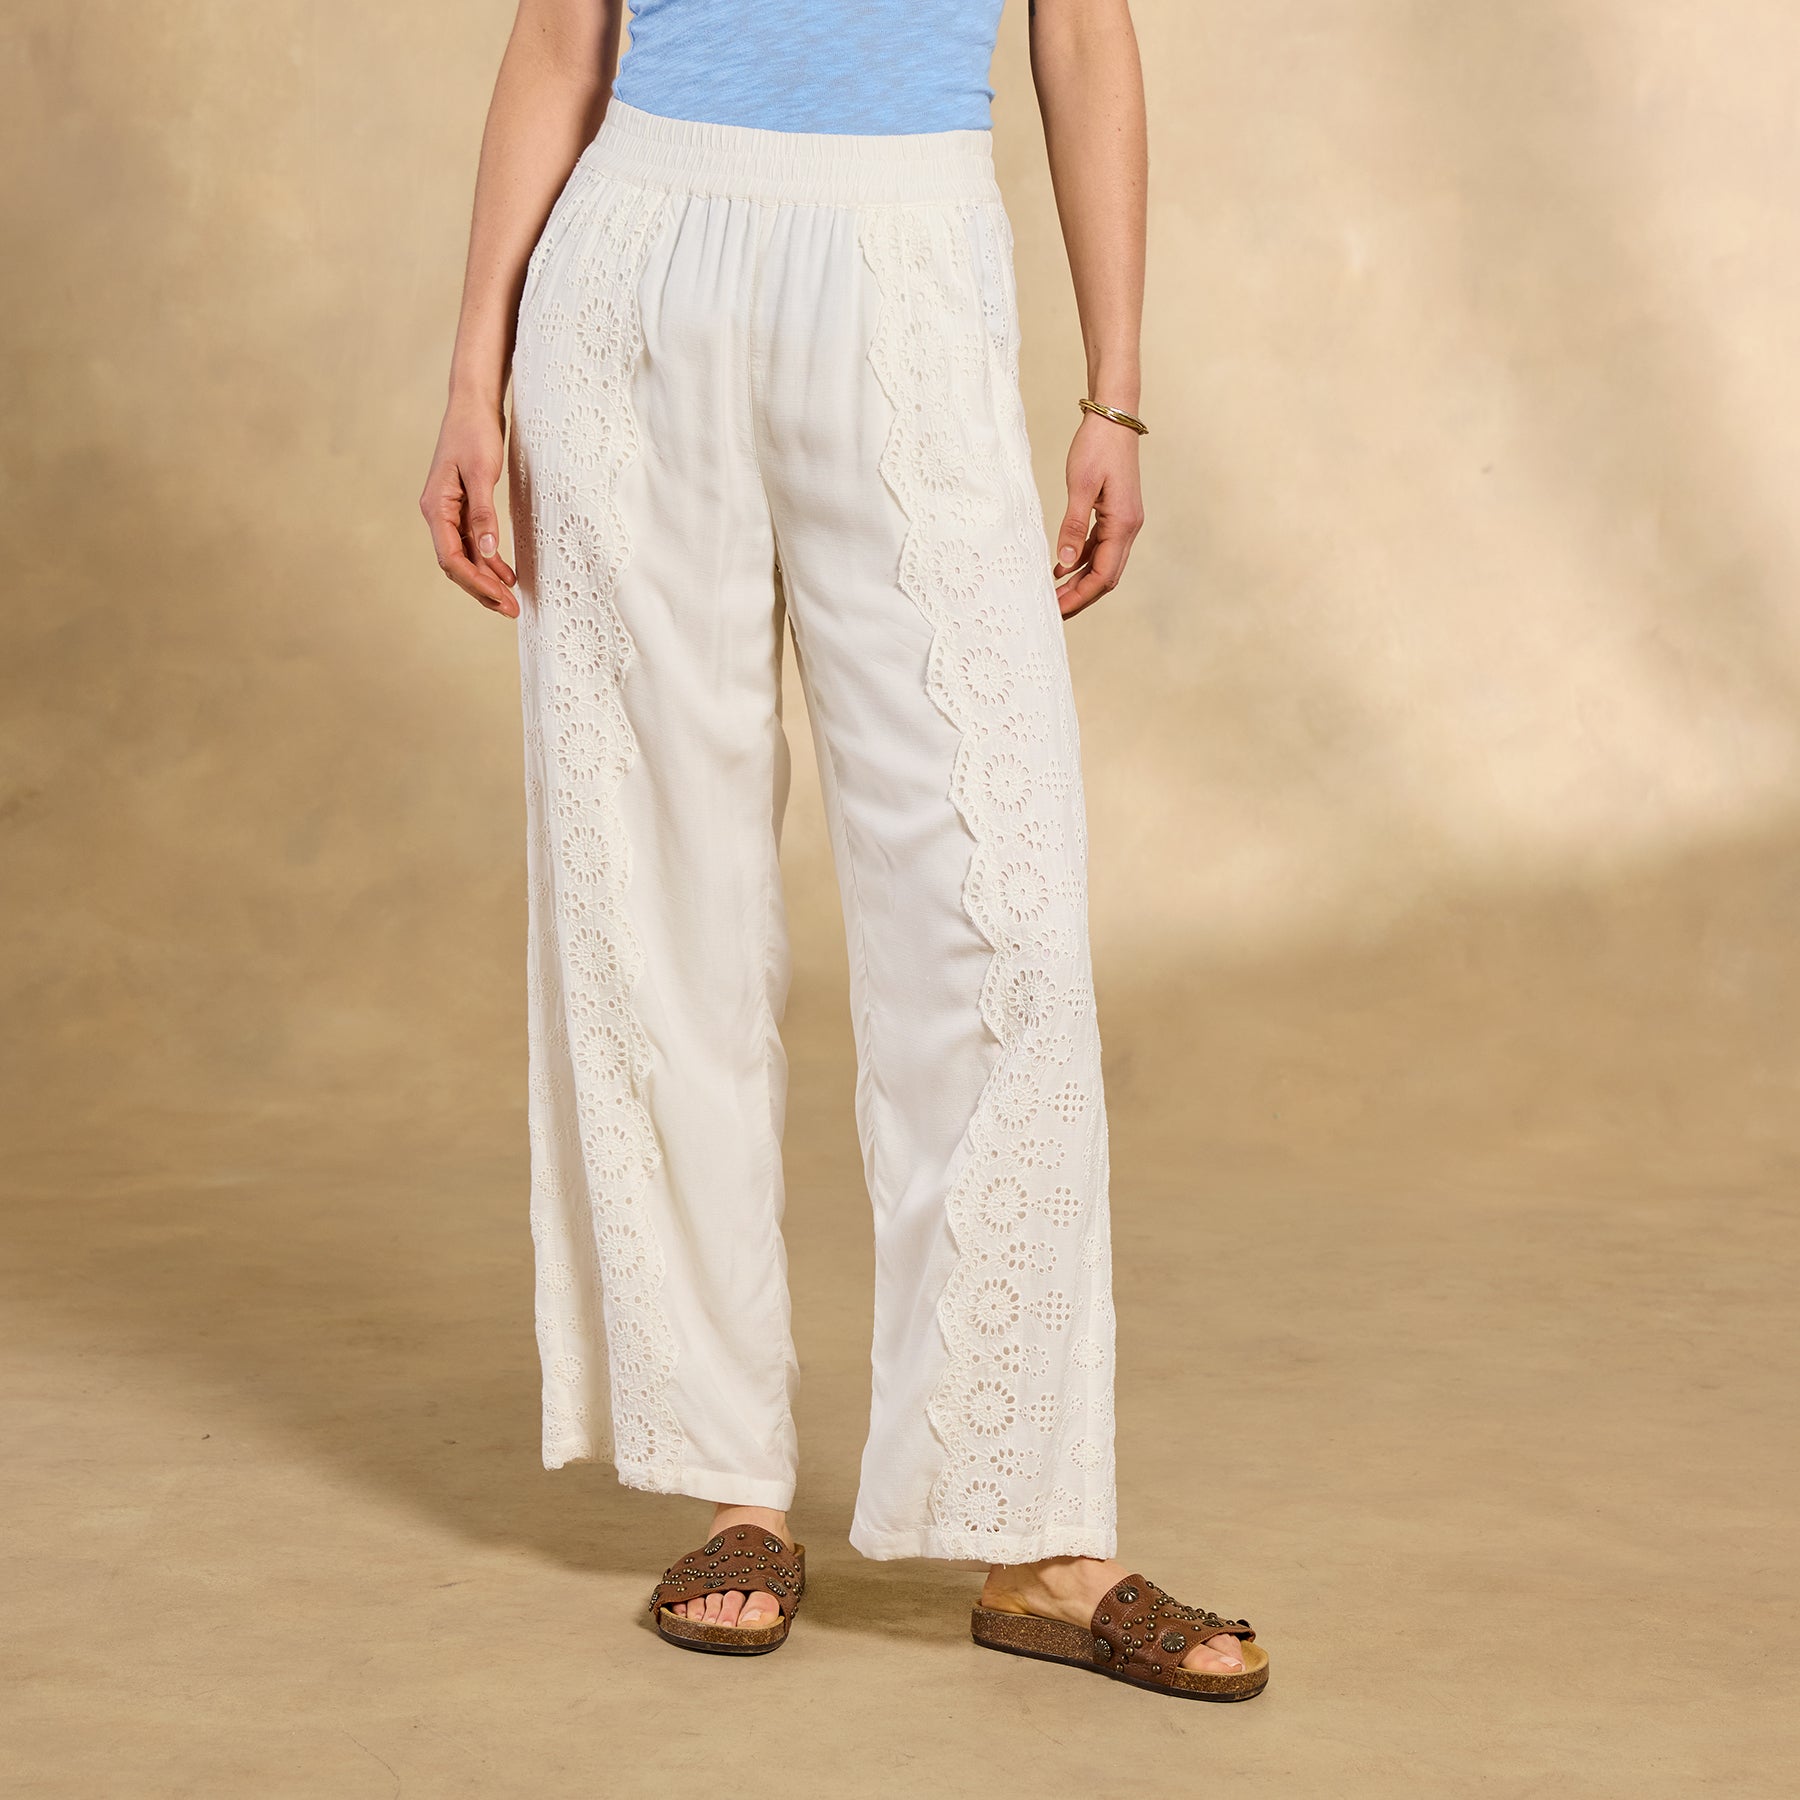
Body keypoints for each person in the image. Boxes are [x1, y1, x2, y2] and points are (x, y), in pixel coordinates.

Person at [420, 0, 1268, 1700]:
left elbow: (1083, 37)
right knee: (657, 892)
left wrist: (1115, 395)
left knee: (995, 907)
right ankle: (734, 1487)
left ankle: (1037, 1527)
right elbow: (564, 36)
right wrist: (469, 375)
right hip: (637, 271)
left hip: (908, 256)